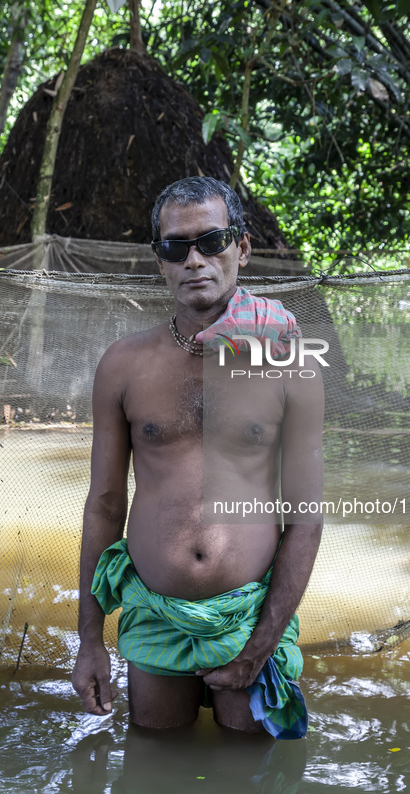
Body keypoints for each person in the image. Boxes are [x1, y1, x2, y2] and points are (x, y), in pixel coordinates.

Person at [71, 176, 324, 736]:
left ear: (242, 247)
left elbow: (306, 515)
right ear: (159, 261)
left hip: (247, 615)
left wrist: (264, 642)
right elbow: (104, 506)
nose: (194, 260)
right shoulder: (124, 365)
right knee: (152, 769)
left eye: (211, 242)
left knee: (247, 784)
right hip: (154, 616)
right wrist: (90, 639)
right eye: (175, 247)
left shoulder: (285, 357)